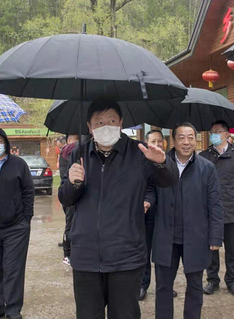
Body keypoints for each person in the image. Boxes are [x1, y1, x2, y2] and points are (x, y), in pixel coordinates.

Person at [58, 100, 178, 319]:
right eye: (100, 122)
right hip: (86, 255)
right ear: (90, 126)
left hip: (126, 255)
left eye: (112, 120)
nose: (106, 126)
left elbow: (168, 181)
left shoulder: (139, 152)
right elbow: (65, 198)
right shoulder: (79, 153)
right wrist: (73, 183)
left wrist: (162, 163)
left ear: (121, 122)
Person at [147, 122, 223, 319]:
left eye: (190, 137)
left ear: (196, 141)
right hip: (166, 235)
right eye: (181, 137)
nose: (186, 142)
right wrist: (147, 201)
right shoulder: (160, 164)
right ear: (173, 140)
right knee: (163, 286)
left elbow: (215, 203)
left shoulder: (207, 168)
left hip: (195, 235)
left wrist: (216, 236)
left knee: (195, 286)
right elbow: (150, 191)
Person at [0, 127, 35, 319]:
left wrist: (26, 219)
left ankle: (12, 309)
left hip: (16, 227)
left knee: (13, 269)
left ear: (6, 143)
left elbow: (28, 191)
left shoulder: (19, 164)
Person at [201, 121, 234, 297]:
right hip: (209, 210)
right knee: (211, 247)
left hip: (231, 207)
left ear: (226, 134)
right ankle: (212, 280)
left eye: (218, 131)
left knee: (231, 249)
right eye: (212, 131)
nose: (214, 134)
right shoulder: (204, 156)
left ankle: (232, 281)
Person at [139, 130, 178, 301]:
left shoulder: (169, 161)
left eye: (160, 141)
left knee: (166, 253)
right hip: (148, 214)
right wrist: (147, 201)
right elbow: (147, 188)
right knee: (145, 251)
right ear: (147, 143)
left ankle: (166, 285)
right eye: (153, 140)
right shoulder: (141, 162)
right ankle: (143, 284)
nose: (157, 143)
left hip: (167, 214)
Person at [60, 134, 80, 265]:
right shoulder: (76, 150)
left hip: (66, 186)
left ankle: (68, 252)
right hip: (70, 187)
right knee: (70, 223)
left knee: (69, 222)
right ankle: (67, 253)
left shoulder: (63, 151)